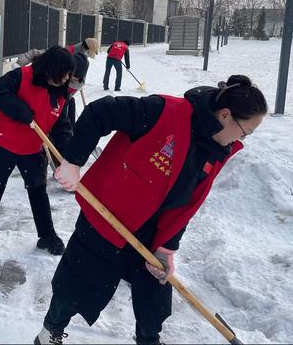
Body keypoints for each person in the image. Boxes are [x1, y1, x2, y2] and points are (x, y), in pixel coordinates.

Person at [34, 75, 267, 345]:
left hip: (151, 231)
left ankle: (149, 340)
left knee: (153, 292)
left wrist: (167, 247)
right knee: (76, 282)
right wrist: (73, 161)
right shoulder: (163, 112)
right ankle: (50, 330)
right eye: (245, 131)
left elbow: (186, 204)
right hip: (107, 218)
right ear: (225, 115)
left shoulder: (215, 149)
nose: (243, 139)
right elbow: (100, 112)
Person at [0, 46, 75, 256]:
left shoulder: (62, 94)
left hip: (33, 149)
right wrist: (20, 110)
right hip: (3, 144)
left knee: (38, 192)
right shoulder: (22, 76)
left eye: (67, 76)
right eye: (60, 75)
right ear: (48, 69)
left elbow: (62, 127)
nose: (64, 80)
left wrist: (69, 159)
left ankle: (47, 236)